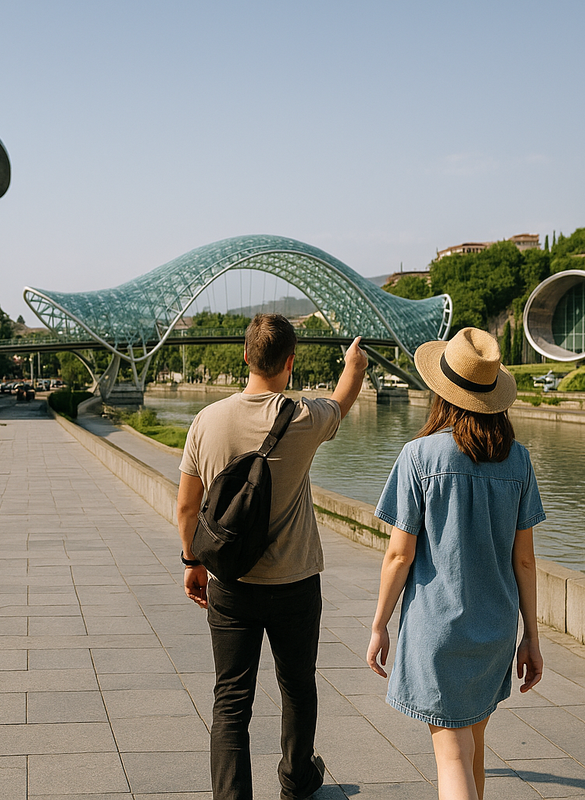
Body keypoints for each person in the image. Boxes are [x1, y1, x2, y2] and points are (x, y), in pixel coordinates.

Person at [177, 313, 368, 800]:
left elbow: (186, 504)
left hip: (230, 585)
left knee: (231, 701)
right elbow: (344, 398)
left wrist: (192, 562)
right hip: (295, 582)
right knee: (298, 686)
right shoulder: (304, 418)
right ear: (290, 361)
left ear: (245, 356)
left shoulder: (207, 420)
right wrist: (354, 363)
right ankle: (296, 780)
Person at [365, 328, 545, 800]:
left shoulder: (419, 456)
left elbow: (399, 554)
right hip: (496, 629)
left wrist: (380, 623)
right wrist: (532, 637)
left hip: (437, 629)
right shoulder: (519, 461)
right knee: (474, 748)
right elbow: (524, 561)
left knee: (451, 757)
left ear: (442, 393)